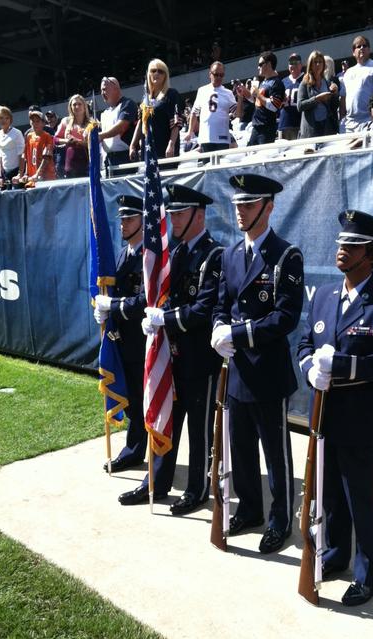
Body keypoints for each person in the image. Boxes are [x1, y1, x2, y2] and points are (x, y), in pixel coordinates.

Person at [297, 210, 373, 606]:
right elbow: (305, 345)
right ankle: (336, 555)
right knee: (330, 498)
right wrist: (311, 368)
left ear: (372, 254)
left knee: (364, 500)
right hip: (325, 417)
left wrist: (340, 366)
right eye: (340, 243)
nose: (341, 250)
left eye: (352, 245)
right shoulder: (324, 294)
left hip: (366, 422)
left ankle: (371, 574)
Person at [211, 174, 304, 554]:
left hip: (267, 371)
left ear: (268, 207)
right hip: (237, 370)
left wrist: (237, 334)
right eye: (237, 205)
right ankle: (249, 508)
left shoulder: (286, 255)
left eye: (248, 205)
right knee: (242, 447)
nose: (240, 211)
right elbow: (222, 302)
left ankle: (280, 518)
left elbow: (285, 317)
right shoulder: (231, 254)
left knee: (275, 453)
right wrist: (218, 328)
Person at [119, 185, 223, 510]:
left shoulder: (214, 255)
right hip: (172, 356)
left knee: (199, 428)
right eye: (172, 212)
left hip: (200, 358)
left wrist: (165, 317)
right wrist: (154, 316)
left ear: (199, 214)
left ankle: (197, 488)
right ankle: (156, 481)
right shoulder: (175, 252)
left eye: (180, 212)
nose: (173, 219)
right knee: (166, 419)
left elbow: (203, 309)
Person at [94, 195, 148, 474]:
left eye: (129, 219)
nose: (123, 224)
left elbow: (144, 301)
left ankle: (134, 451)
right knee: (132, 401)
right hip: (122, 341)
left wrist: (113, 306)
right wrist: (103, 311)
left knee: (140, 401)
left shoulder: (147, 256)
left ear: (142, 220)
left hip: (142, 342)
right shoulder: (123, 253)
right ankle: (135, 449)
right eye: (122, 220)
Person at [130, 59, 182, 162]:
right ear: (148, 74)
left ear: (165, 75)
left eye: (160, 71)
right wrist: (132, 145)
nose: (156, 73)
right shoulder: (145, 98)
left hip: (166, 149)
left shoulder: (171, 94)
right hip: (148, 149)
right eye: (153, 71)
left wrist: (171, 145)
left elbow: (176, 123)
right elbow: (141, 123)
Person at [183, 61, 237, 153]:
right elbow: (195, 113)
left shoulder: (228, 93)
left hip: (222, 138)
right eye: (216, 74)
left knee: (222, 166)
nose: (219, 77)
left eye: (221, 75)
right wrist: (190, 132)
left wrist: (240, 97)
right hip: (206, 137)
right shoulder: (202, 91)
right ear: (210, 74)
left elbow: (237, 113)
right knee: (207, 166)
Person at [235, 51, 285, 146]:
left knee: (263, 158)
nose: (258, 67)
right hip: (256, 128)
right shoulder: (264, 82)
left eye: (260, 64)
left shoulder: (277, 83)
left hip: (266, 129)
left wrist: (258, 94)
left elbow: (274, 106)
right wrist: (245, 92)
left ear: (269, 64)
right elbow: (257, 102)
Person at [343, 35, 373, 131]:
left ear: (369, 49)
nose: (362, 48)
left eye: (365, 45)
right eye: (358, 46)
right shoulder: (347, 72)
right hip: (349, 124)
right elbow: (343, 98)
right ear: (353, 52)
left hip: (370, 122)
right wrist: (342, 119)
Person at [98, 76, 138, 171]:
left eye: (104, 89)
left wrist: (100, 136)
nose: (102, 93)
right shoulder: (104, 113)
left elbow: (121, 127)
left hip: (126, 157)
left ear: (116, 88)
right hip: (109, 159)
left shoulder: (128, 104)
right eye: (101, 90)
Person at [297, 50, 339, 139]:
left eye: (320, 62)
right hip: (311, 130)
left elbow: (334, 106)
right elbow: (300, 106)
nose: (318, 65)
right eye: (315, 62)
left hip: (327, 128)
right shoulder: (304, 83)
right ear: (310, 65)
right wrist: (317, 99)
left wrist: (335, 94)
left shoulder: (328, 83)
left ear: (324, 65)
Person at [13, 109, 56, 185]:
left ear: (43, 123)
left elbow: (46, 158)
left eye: (38, 121)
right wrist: (25, 174)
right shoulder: (29, 136)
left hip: (46, 177)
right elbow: (26, 157)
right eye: (33, 121)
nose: (35, 124)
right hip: (33, 177)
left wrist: (38, 173)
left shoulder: (47, 136)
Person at [54, 94, 92, 178]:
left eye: (79, 104)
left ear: (84, 106)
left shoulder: (91, 123)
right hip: (70, 165)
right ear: (70, 107)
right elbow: (55, 139)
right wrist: (66, 141)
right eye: (74, 104)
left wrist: (83, 143)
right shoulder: (66, 121)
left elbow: (97, 142)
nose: (77, 106)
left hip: (87, 163)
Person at [0, 105, 25, 185]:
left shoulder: (17, 133)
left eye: (7, 118)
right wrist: (0, 175)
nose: (4, 120)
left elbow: (22, 155)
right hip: (5, 174)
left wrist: (20, 174)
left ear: (10, 119)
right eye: (1, 118)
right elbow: (1, 155)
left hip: (17, 172)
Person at [278, 53, 304, 140]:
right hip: (284, 123)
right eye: (290, 63)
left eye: (295, 62)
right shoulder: (283, 82)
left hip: (300, 124)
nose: (293, 65)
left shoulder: (306, 79)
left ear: (301, 65)